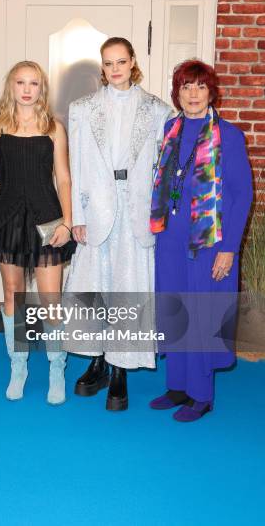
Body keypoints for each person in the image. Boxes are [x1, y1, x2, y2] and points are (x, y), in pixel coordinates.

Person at [65, 37, 172, 411]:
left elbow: (165, 171)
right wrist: (77, 217)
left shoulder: (158, 110)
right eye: (108, 64)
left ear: (132, 63)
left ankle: (120, 368)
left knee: (128, 289)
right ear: (102, 67)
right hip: (96, 208)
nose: (115, 70)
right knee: (95, 288)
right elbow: (76, 166)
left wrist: (160, 217)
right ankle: (96, 360)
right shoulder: (81, 109)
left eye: (121, 62)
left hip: (136, 208)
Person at [149, 59, 253, 422]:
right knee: (175, 309)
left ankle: (201, 394)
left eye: (200, 87)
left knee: (202, 314)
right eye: (185, 87)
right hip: (171, 240)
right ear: (177, 93)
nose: (193, 94)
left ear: (211, 92)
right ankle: (177, 385)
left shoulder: (230, 135)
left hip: (210, 242)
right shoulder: (169, 130)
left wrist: (229, 249)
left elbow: (242, 196)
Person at [0, 61, 75, 405]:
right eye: (21, 82)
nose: (27, 89)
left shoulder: (53, 127)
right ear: (11, 86)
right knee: (13, 294)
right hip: (7, 216)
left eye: (34, 83)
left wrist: (66, 221)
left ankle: (56, 368)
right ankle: (18, 366)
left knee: (51, 301)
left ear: (41, 88)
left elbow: (63, 178)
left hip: (48, 217)